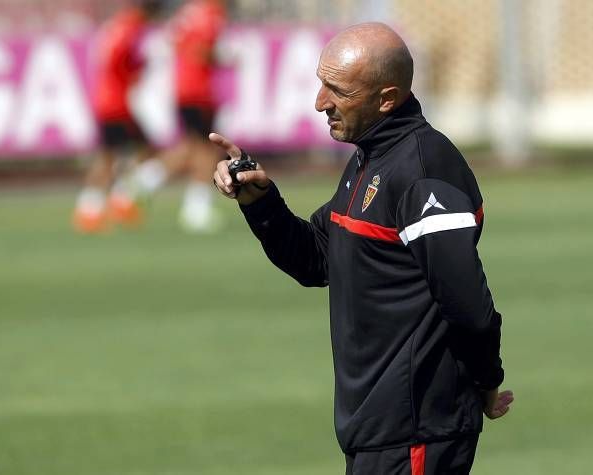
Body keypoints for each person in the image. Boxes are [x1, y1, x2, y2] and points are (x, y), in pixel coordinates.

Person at [211, 23, 513, 474]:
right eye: (320, 83)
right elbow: (316, 259)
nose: (319, 102)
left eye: (337, 90)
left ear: (386, 98)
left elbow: (467, 302)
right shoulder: (370, 158)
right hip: (376, 427)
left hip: (416, 430)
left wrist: (487, 379)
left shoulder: (423, 171)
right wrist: (262, 202)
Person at [126, 0, 226, 232]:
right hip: (197, 90)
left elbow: (174, 42)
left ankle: (145, 179)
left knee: (194, 147)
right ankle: (195, 209)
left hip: (184, 88)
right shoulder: (210, 10)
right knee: (206, 149)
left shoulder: (188, 11)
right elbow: (203, 50)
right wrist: (223, 57)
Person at [72, 0, 162, 234]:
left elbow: (106, 56)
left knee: (116, 154)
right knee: (132, 154)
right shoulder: (131, 28)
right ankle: (110, 205)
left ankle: (100, 206)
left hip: (107, 100)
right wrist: (138, 66)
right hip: (117, 103)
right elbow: (119, 58)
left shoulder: (118, 24)